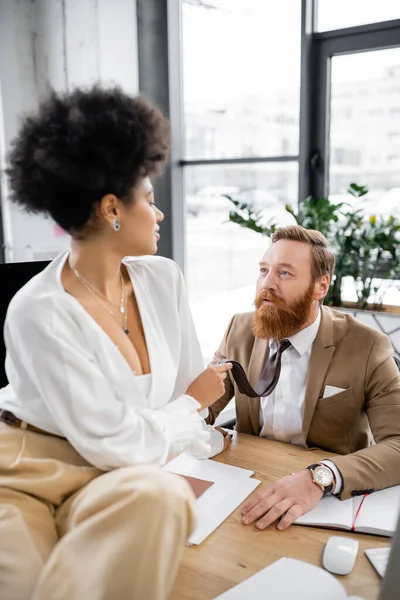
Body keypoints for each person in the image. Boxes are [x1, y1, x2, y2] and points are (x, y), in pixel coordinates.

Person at [0, 85, 232, 600]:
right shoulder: (40, 311)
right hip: (25, 470)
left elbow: (188, 412)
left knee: (165, 497)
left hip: (110, 473)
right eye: (149, 199)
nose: (160, 213)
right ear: (112, 209)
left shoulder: (162, 278)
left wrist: (208, 442)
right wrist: (193, 402)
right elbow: (180, 406)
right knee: (31, 587)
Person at [207, 225, 400, 532]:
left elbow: (398, 445)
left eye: (284, 273)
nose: (266, 284)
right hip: (244, 485)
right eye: (263, 270)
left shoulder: (368, 346)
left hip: (326, 501)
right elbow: (204, 402)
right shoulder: (239, 329)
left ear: (320, 286)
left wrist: (320, 477)